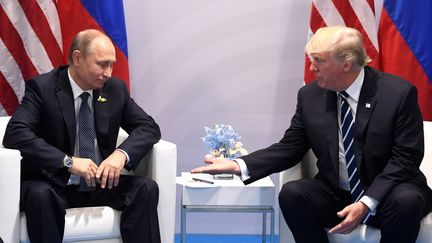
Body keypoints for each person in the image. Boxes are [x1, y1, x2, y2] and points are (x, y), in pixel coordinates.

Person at [192, 26, 432, 243]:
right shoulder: (310, 96)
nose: (311, 68)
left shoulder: (397, 94)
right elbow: (290, 147)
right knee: (294, 194)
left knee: (407, 201)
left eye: (318, 61)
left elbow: (405, 158)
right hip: (337, 195)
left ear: (346, 64)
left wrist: (366, 202)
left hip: (389, 194)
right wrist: (238, 165)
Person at [3, 29, 162, 243]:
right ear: (78, 58)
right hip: (53, 183)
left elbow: (149, 127)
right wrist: (67, 162)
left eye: (112, 65)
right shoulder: (43, 88)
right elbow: (15, 133)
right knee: (39, 194)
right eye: (102, 64)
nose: (108, 72)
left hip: (100, 184)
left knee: (145, 188)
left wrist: (121, 155)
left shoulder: (114, 89)